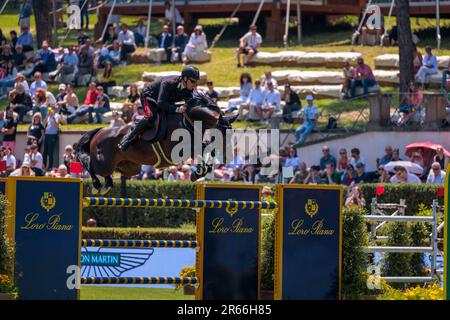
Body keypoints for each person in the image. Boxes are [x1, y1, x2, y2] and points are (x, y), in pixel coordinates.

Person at [118, 65, 200, 151]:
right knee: (151, 116)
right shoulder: (169, 83)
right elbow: (161, 103)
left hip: (166, 100)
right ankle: (128, 137)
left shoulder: (189, 87)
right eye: (193, 81)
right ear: (185, 79)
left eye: (196, 82)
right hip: (149, 96)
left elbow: (189, 103)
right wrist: (177, 109)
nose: (195, 85)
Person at [43, 107, 62, 171]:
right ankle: (44, 166)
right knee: (45, 152)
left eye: (52, 109)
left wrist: (53, 116)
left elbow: (56, 124)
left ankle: (50, 167)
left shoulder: (57, 116)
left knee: (50, 152)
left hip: (53, 135)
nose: (50, 111)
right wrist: (47, 116)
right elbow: (43, 124)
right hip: (47, 135)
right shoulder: (48, 116)